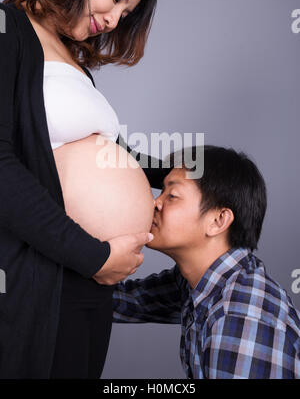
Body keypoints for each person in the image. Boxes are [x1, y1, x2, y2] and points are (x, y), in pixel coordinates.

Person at [0, 0, 170, 379]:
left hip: (88, 282)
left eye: (125, 13)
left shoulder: (72, 62)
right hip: (46, 276)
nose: (115, 20)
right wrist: (94, 255)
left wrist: (192, 168)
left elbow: (111, 152)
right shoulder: (7, 31)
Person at [113, 145, 300, 379]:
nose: (154, 203)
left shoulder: (239, 315)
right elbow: (125, 303)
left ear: (218, 220)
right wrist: (95, 257)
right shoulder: (204, 279)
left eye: (171, 196)